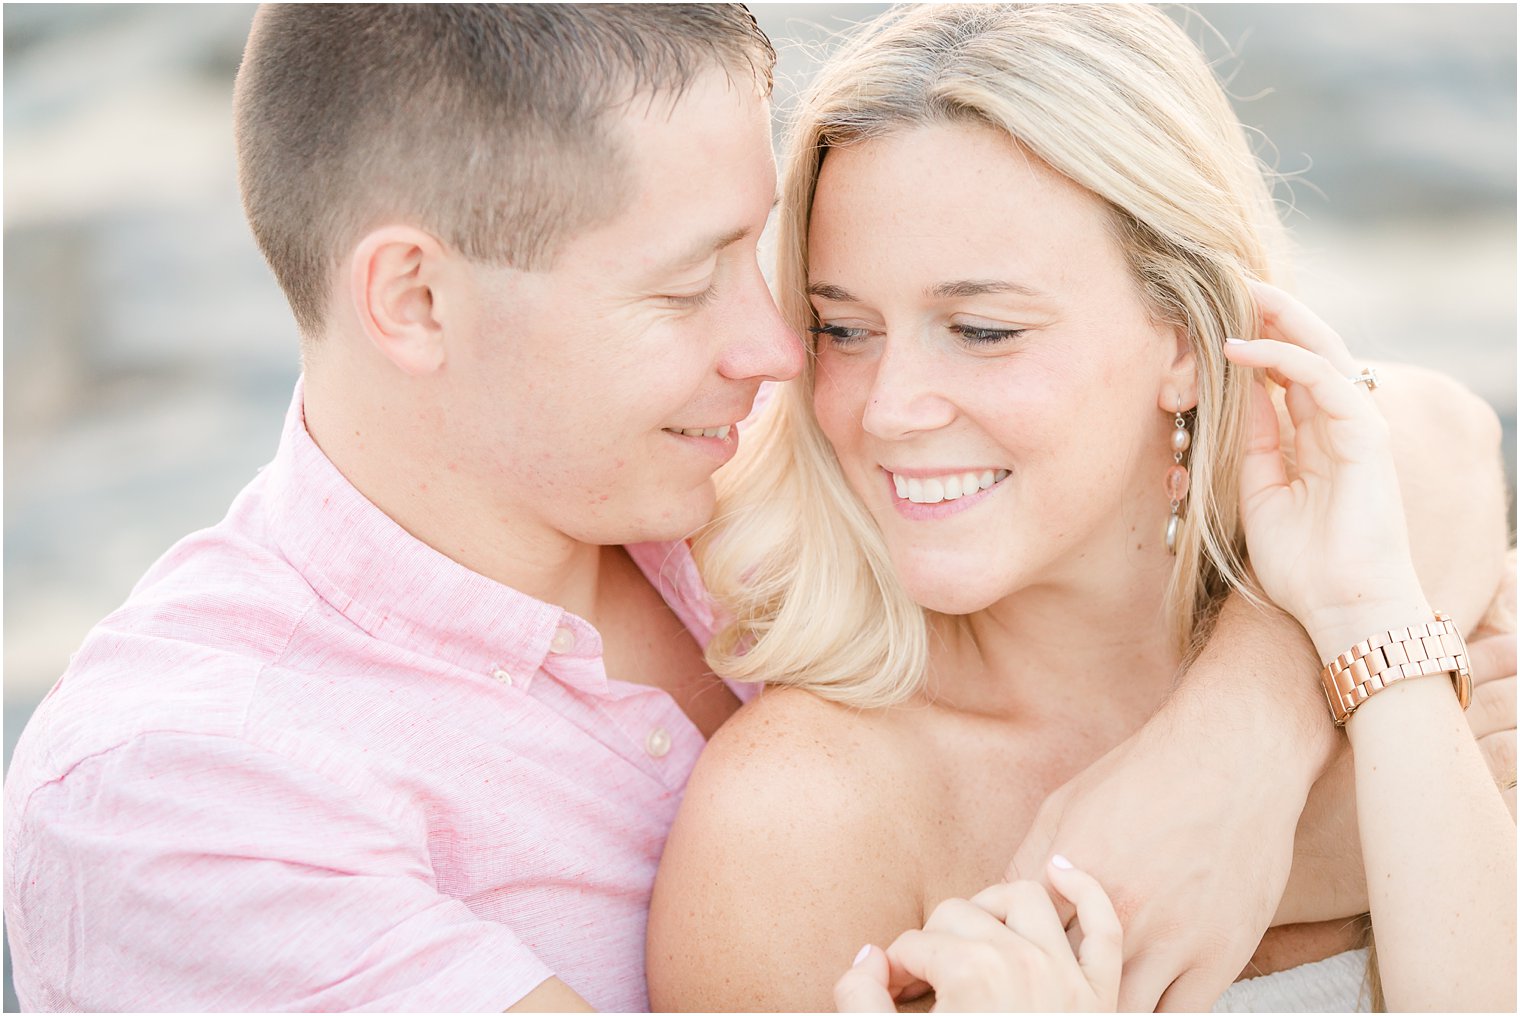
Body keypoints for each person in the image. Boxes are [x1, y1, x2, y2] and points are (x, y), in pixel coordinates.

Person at [2, 5, 1509, 1013]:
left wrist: (1248, 746)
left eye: (766, 262)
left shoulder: (739, 454)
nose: (787, 348)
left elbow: (1393, 428)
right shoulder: (181, 794)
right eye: (685, 285)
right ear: (412, 296)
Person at [646, 5, 1515, 1012]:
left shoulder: (1416, 632)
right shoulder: (798, 819)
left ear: (1185, 340)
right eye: (843, 328)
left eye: (980, 329)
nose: (886, 409)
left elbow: (1432, 421)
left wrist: (1325, 696)